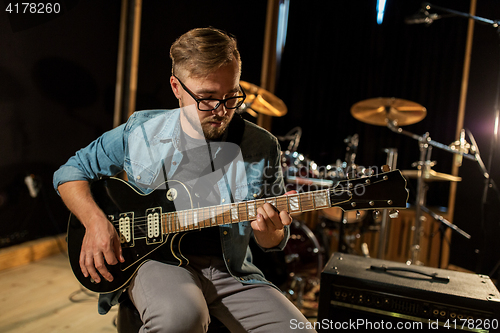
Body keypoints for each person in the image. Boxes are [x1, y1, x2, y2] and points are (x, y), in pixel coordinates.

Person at [53, 27, 317, 332]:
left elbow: (272, 240)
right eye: (206, 98)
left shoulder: (262, 145)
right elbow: (70, 173)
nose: (221, 111)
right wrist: (96, 222)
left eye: (231, 96)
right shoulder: (141, 130)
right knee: (183, 317)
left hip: (230, 269)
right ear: (176, 87)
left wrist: (268, 230)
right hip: (156, 262)